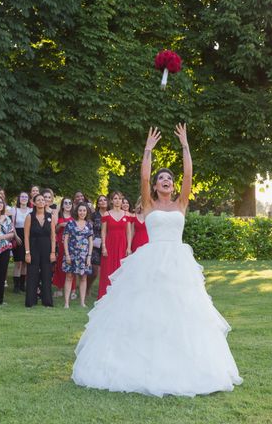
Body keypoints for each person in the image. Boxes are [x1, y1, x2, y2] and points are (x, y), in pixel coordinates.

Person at [72, 124, 243, 396]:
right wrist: (148, 151)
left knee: (182, 313)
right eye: (161, 178)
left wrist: (185, 145)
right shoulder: (149, 205)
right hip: (150, 263)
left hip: (178, 264)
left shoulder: (181, 204)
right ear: (154, 185)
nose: (165, 180)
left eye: (168, 179)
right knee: (144, 312)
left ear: (173, 186)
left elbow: (189, 174)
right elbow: (143, 176)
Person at [97, 191, 131, 299]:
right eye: (115, 198)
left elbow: (129, 232)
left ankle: (120, 296)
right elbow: (103, 231)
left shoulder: (127, 214)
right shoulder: (107, 214)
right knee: (108, 269)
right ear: (111, 200)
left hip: (122, 244)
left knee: (121, 269)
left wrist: (129, 247)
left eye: (120, 199)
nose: (118, 201)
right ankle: (105, 296)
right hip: (110, 244)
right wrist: (103, 246)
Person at [24, 194, 55, 307]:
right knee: (32, 274)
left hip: (47, 249)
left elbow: (53, 236)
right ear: (34, 202)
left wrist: (52, 252)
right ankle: (31, 301)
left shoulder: (50, 216)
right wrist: (27, 253)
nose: (41, 201)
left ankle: (47, 301)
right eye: (39, 200)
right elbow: (26, 236)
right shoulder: (29, 217)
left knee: (47, 274)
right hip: (33, 248)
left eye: (43, 199)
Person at [62, 203, 93, 308]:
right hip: (71, 254)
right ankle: (66, 303)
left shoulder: (89, 225)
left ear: (87, 212)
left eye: (84, 210)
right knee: (69, 277)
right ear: (77, 211)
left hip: (84, 256)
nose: (82, 212)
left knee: (83, 278)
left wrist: (89, 256)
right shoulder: (70, 223)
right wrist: (67, 255)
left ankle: (82, 302)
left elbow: (91, 242)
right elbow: (65, 240)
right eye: (80, 210)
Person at [52, 197, 74, 298]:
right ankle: (60, 288)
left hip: (72, 245)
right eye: (65, 203)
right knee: (60, 265)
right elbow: (54, 231)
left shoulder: (75, 216)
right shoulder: (59, 216)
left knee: (72, 266)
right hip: (61, 245)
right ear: (62, 205)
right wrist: (60, 225)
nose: (68, 204)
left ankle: (72, 290)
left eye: (69, 203)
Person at [86, 195, 107, 297]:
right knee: (94, 271)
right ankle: (88, 287)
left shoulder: (110, 214)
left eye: (104, 200)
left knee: (107, 269)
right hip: (95, 245)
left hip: (108, 244)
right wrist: (93, 239)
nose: (103, 202)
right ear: (98, 204)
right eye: (100, 201)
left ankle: (105, 290)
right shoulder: (94, 215)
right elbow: (89, 228)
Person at [11, 191, 32, 294]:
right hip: (18, 235)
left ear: (28, 199)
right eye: (22, 196)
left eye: (26, 197)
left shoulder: (31, 210)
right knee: (18, 262)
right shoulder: (14, 210)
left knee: (25, 262)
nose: (24, 198)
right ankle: (16, 286)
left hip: (28, 236)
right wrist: (15, 236)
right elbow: (12, 225)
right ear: (19, 199)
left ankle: (22, 285)